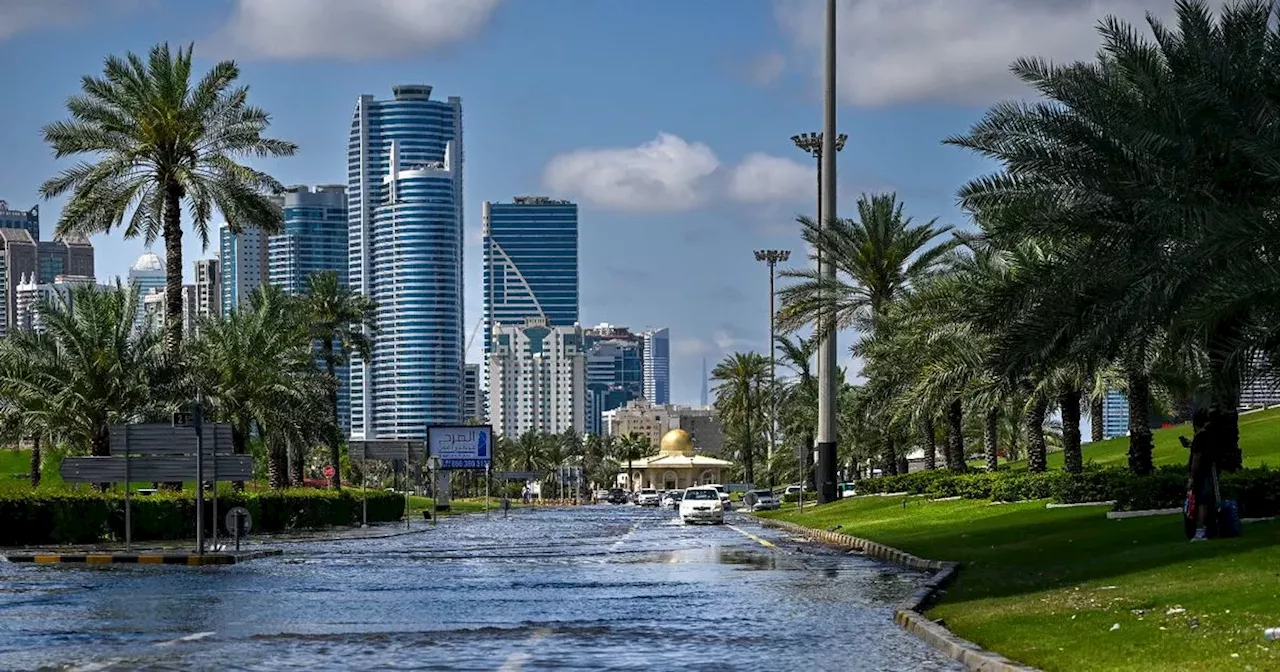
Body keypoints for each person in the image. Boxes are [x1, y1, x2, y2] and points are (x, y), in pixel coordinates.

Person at [1181, 408, 1215, 542]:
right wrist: (1191, 445)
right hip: (1207, 472)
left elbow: (1197, 458)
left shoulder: (1200, 438)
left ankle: (1200, 531)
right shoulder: (1208, 436)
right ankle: (1207, 528)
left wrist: (1191, 477)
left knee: (1200, 502)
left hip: (1200, 474)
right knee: (1205, 501)